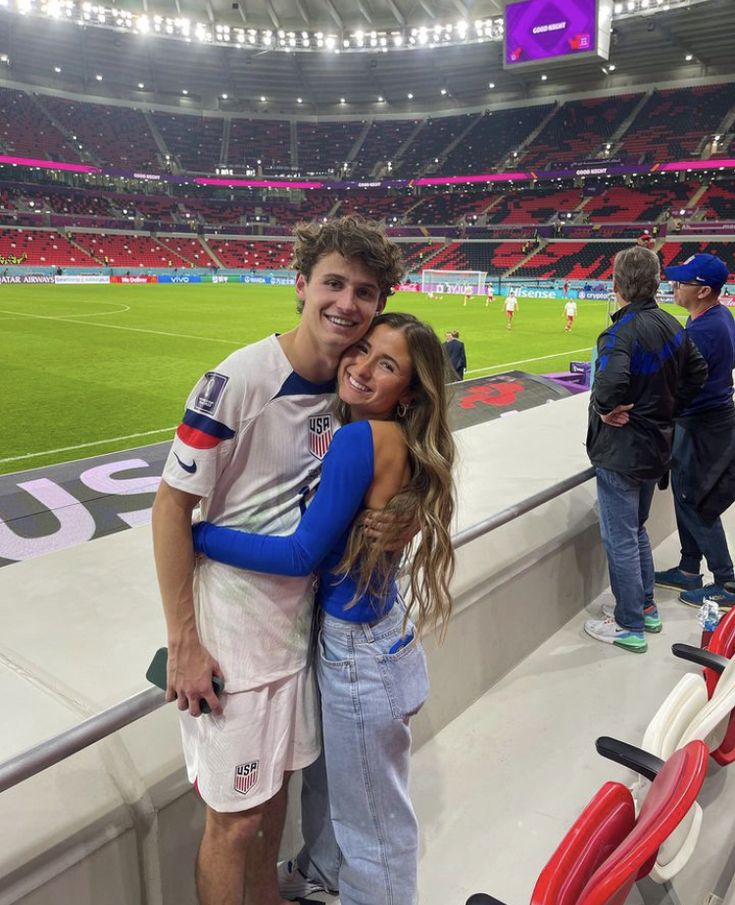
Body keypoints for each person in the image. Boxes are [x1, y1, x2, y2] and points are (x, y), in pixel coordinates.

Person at [151, 216, 404, 905]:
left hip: (300, 638)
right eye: (332, 282)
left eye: (364, 290)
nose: (345, 303)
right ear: (300, 285)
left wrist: (400, 517)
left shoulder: (353, 390)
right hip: (233, 641)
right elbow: (171, 508)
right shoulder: (238, 380)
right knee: (233, 826)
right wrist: (183, 643)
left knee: (269, 817)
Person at [191, 312, 456, 905]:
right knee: (339, 793)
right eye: (361, 351)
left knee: (373, 825)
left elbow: (300, 554)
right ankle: (323, 872)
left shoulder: (362, 438)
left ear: (408, 391)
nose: (361, 367)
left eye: (385, 365)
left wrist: (200, 538)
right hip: (381, 637)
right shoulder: (394, 437)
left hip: (360, 653)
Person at [583, 246, 708, 653]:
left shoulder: (620, 332)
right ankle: (647, 607)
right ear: (655, 283)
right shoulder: (673, 324)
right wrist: (667, 408)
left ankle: (630, 624)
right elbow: (698, 372)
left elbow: (609, 385)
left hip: (622, 451)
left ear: (617, 285)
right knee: (635, 531)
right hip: (656, 447)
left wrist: (605, 409)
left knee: (619, 536)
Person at [654, 254, 735, 611]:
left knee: (696, 499)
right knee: (686, 493)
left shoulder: (704, 330)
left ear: (703, 291)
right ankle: (689, 569)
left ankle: (727, 580)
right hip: (705, 420)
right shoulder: (717, 317)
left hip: (705, 424)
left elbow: (675, 383)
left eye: (682, 282)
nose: (674, 285)